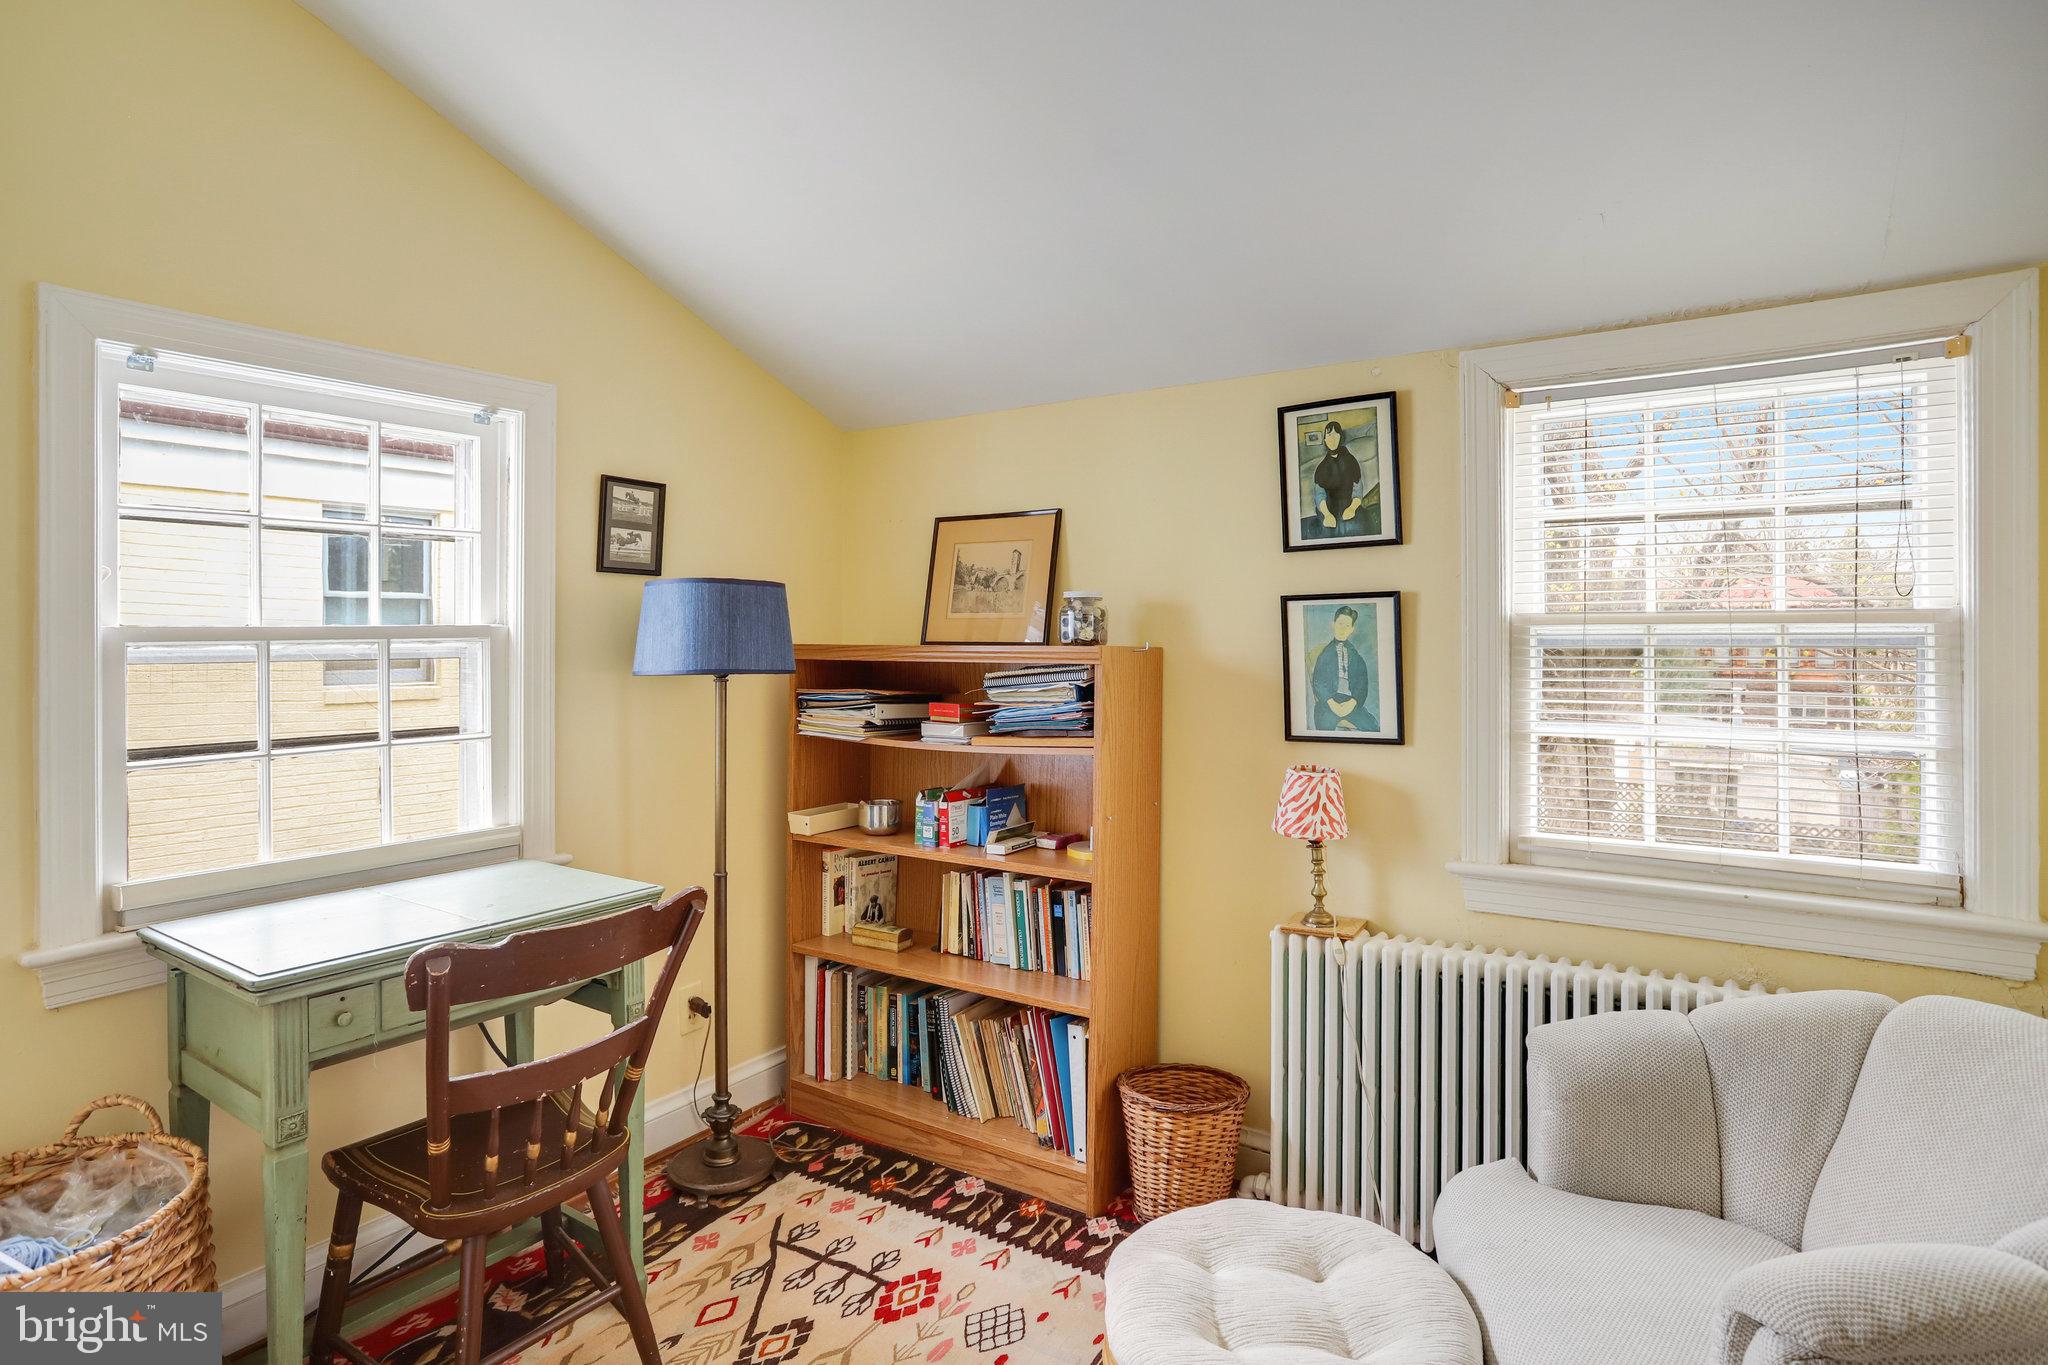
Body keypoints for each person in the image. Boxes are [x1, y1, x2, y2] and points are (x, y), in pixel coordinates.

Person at [1309, 605, 1377, 733]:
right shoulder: (1325, 654)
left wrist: (1353, 702)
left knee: (1372, 725)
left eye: (1347, 626)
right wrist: (1331, 703)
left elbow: (1362, 684)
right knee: (1324, 728)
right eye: (1340, 624)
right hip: (1328, 702)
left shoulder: (1356, 657)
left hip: (1350, 702)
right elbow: (1318, 682)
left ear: (1352, 629)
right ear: (1333, 624)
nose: (1342, 629)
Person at [1305, 418, 1370, 538]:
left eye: (1336, 434)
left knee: (1359, 527)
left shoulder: (1351, 461)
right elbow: (1319, 495)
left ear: (1341, 437)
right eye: (1329, 435)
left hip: (1349, 505)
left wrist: (1352, 508)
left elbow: (1358, 489)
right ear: (1325, 439)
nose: (1332, 439)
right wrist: (1327, 514)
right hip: (1328, 508)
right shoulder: (1321, 467)